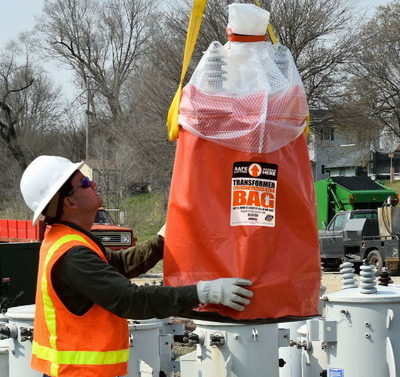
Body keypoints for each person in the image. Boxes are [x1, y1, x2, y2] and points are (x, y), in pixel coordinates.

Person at [20, 155, 253, 377]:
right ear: (70, 201)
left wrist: (164, 240)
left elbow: (118, 264)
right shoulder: (73, 255)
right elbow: (131, 300)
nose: (94, 183)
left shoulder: (69, 239)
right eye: (85, 182)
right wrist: (202, 292)